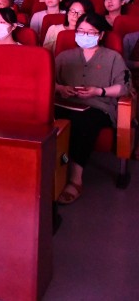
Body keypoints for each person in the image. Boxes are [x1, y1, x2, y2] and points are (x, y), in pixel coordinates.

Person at [55, 12, 129, 205]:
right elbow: (48, 81)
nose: (84, 36)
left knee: (84, 122)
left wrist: (99, 91)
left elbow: (123, 87)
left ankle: (75, 179)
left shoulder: (113, 57)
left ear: (101, 35)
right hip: (65, 103)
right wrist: (61, 88)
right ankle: (50, 171)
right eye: (80, 31)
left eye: (90, 32)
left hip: (98, 107)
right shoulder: (64, 56)